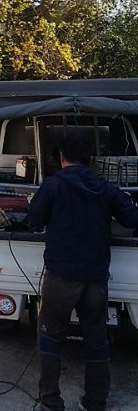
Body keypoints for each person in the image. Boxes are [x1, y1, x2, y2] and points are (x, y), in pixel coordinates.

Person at [26, 132, 138, 411]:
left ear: (61, 157)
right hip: (96, 279)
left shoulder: (53, 185)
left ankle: (50, 401)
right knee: (97, 340)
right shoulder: (106, 188)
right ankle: (95, 401)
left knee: (50, 336)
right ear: (89, 160)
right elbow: (132, 218)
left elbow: (34, 221)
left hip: (61, 277)